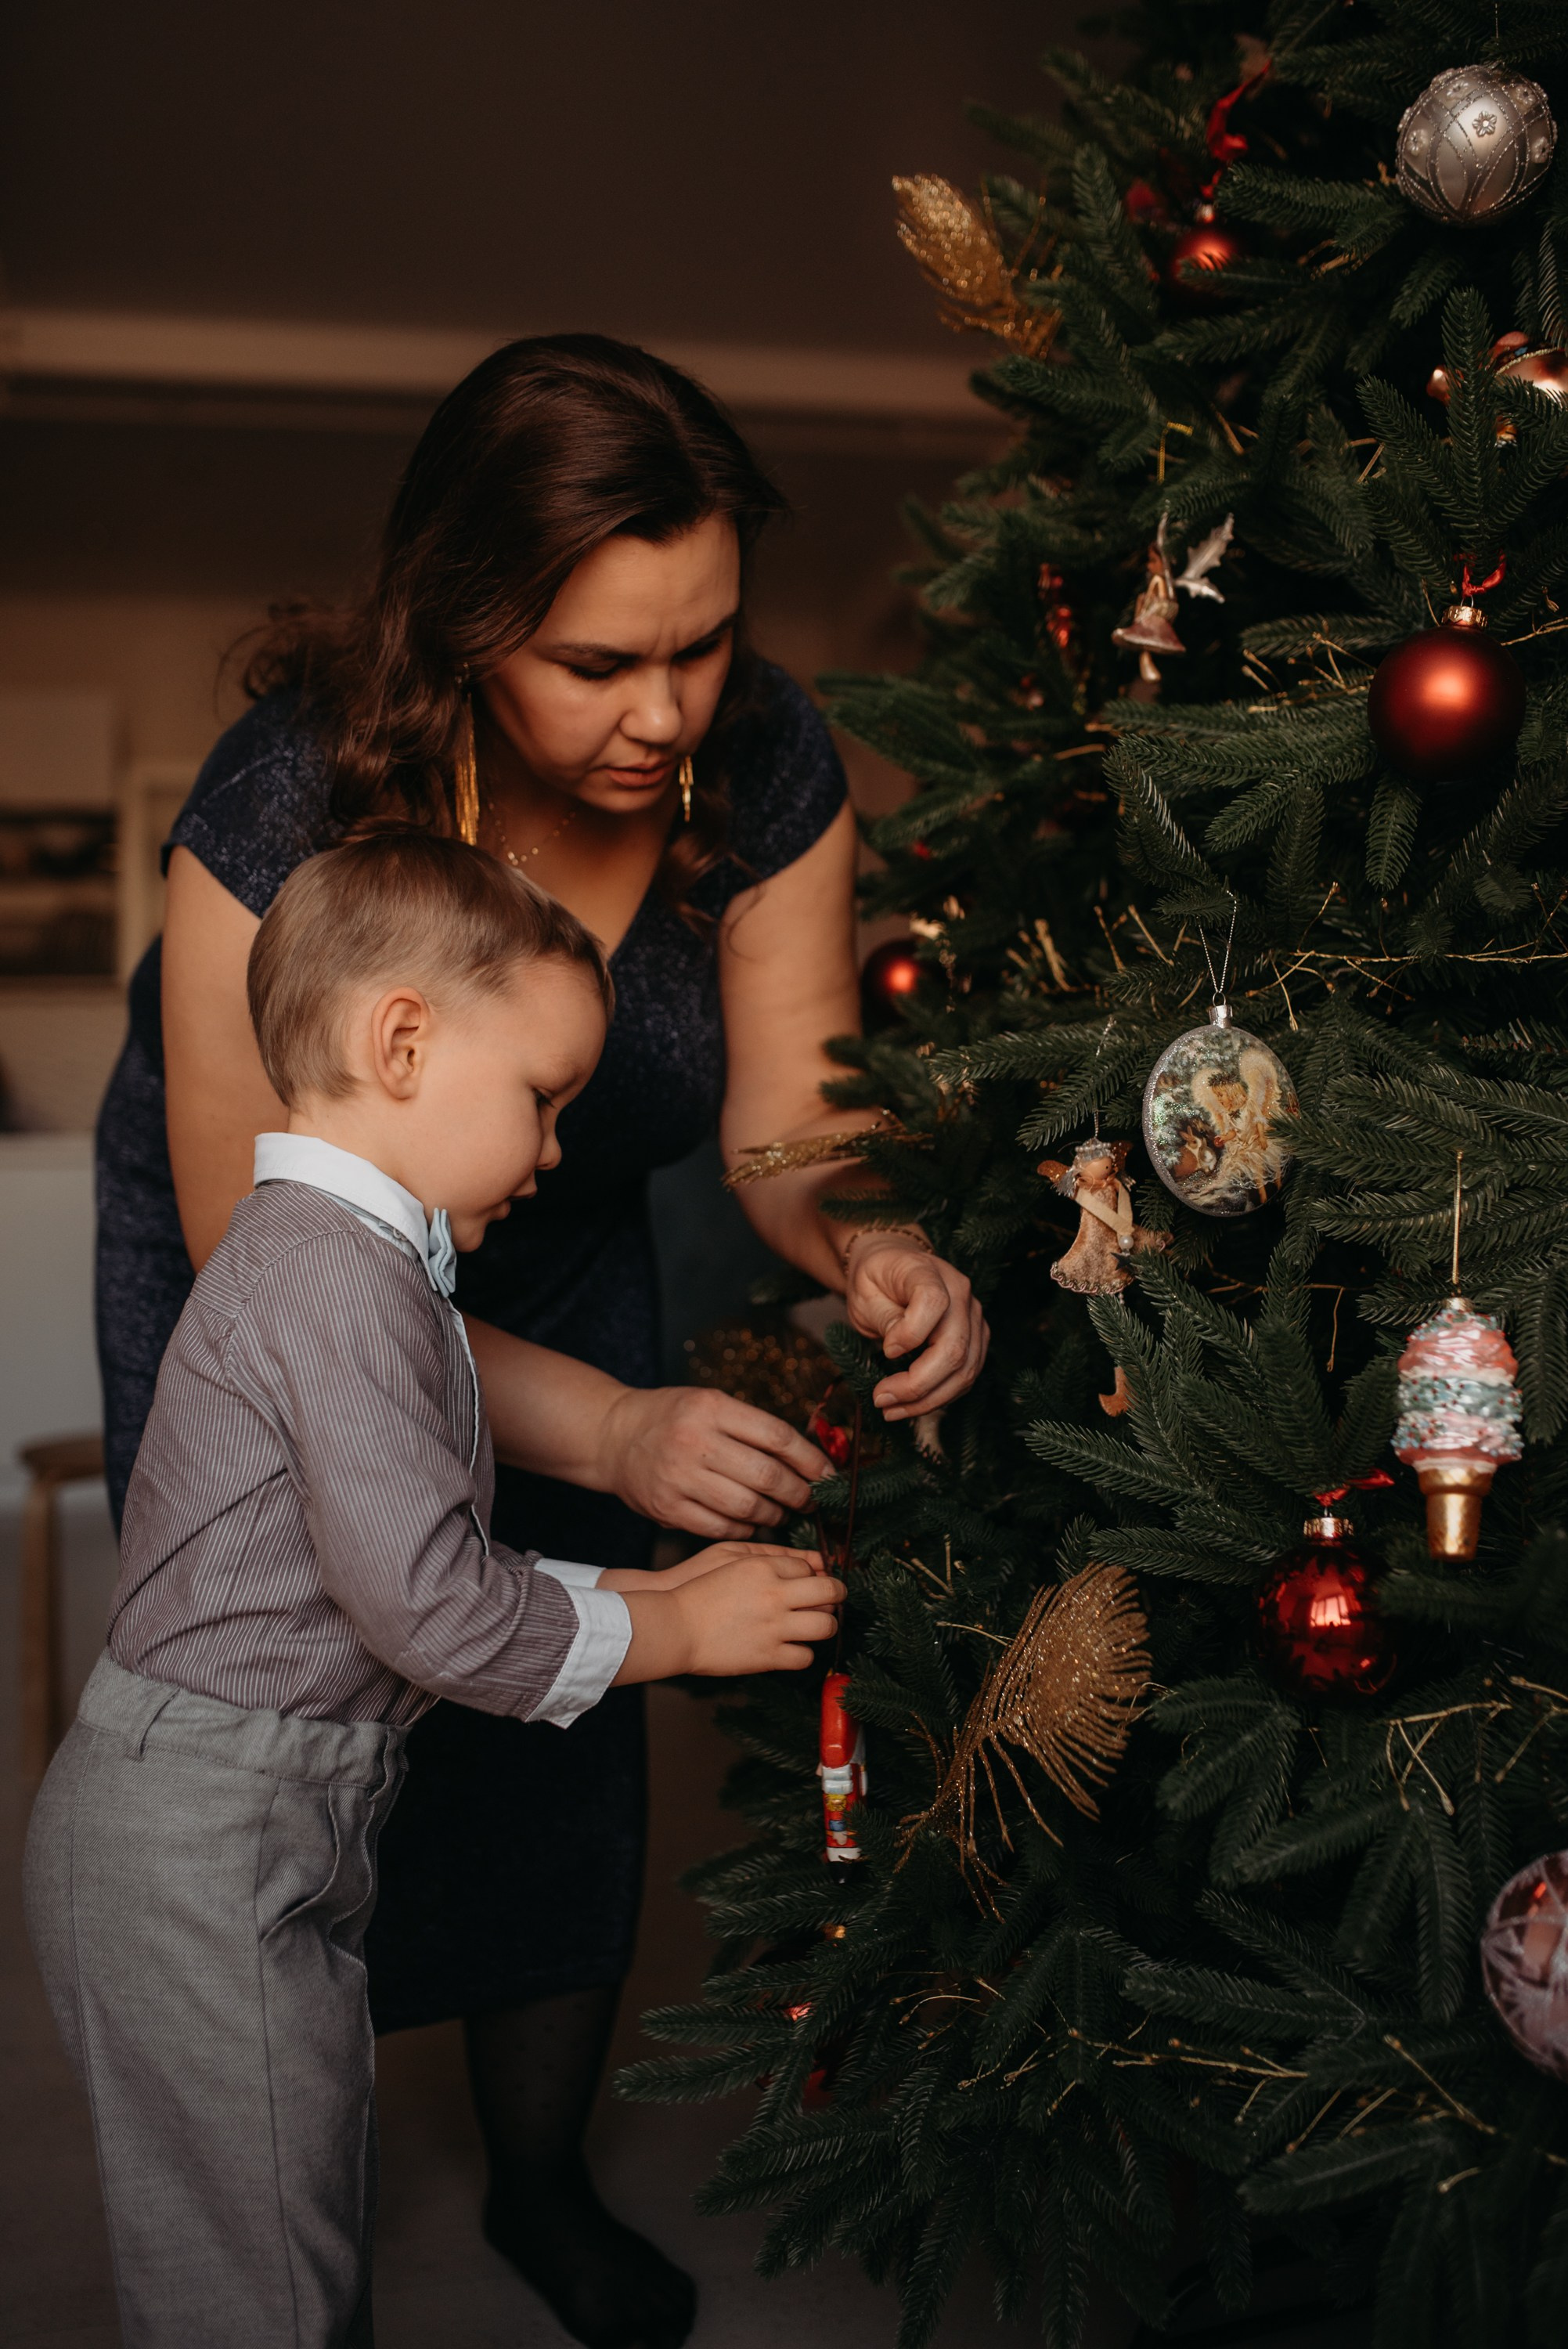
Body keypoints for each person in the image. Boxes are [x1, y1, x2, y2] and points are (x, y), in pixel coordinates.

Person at [92, 333, 988, 2347]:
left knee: (549, 1733)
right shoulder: (286, 795)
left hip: (555, 1235)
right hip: (273, 1254)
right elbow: (286, 1263)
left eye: (706, 643)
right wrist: (618, 1434)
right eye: (599, 663)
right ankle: (260, 2113)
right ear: (470, 619)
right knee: (315, 1677)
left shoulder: (763, 762)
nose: (668, 713)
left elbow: (789, 1122)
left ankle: (541, 2178)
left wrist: (873, 1243)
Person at [31, 831, 843, 2349]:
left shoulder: (360, 1268)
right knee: (258, 2288)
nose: (554, 1153)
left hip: (259, 1816)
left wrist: (647, 1584)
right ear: (401, 1044)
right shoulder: (330, 1277)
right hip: (199, 1840)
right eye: (541, 1099)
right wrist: (673, 1620)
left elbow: (423, 1568)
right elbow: (431, 1608)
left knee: (293, 2216)